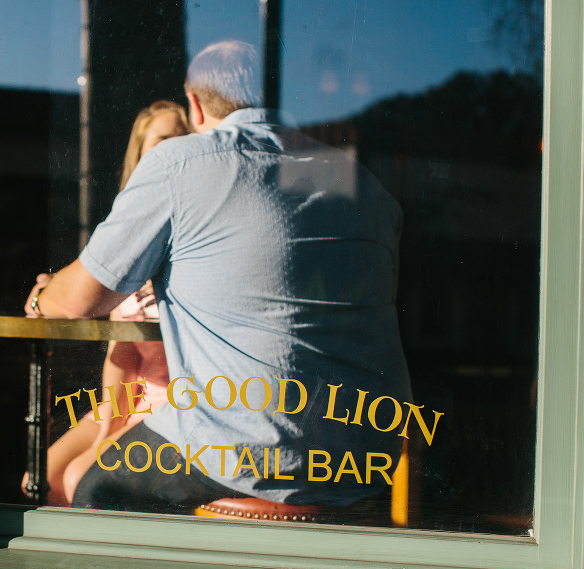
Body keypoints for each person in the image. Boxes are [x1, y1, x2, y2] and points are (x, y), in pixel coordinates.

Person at [25, 40, 411, 515]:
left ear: (194, 105)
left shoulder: (179, 164)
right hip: (368, 448)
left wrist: (45, 295)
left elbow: (77, 302)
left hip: (253, 445)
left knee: (95, 488)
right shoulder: (359, 182)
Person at [26, 101, 188, 506]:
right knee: (40, 479)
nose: (177, 147)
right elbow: (123, 349)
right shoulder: (129, 236)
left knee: (82, 481)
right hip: (131, 397)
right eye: (165, 139)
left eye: (185, 137)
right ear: (141, 153)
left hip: (176, 408)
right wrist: (106, 427)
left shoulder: (193, 237)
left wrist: (105, 440)